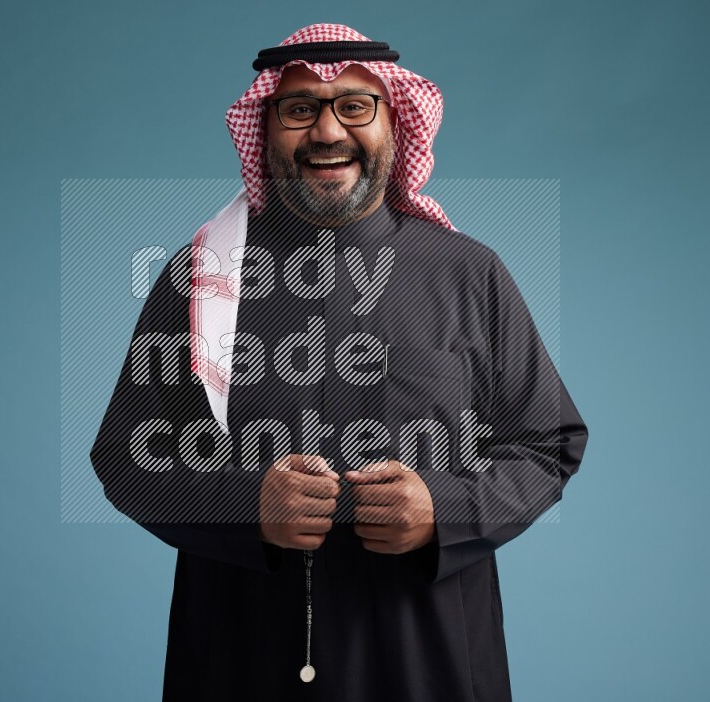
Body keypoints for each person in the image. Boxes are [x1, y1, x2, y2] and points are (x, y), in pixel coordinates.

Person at [90, 23, 589, 702]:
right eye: (301, 110)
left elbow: (547, 443)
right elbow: (126, 457)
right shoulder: (197, 281)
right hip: (243, 656)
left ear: (394, 125)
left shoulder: (469, 275)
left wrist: (442, 510)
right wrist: (245, 507)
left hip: (429, 657)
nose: (328, 133)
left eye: (354, 106)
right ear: (266, 129)